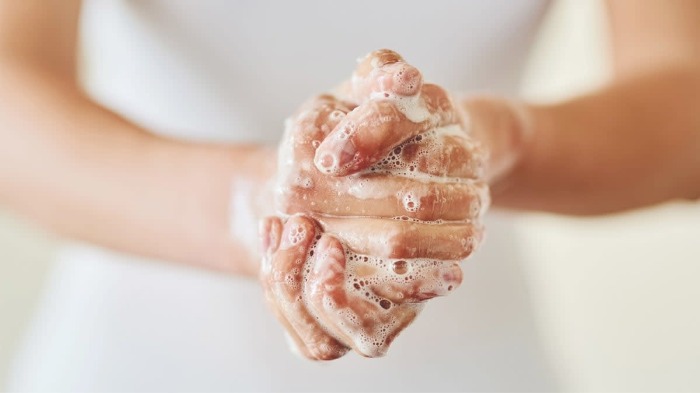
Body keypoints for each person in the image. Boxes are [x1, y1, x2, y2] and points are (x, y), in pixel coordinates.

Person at [1, 0, 698, 391]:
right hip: (134, 361)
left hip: (475, 366)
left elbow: (684, 102)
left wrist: (492, 145)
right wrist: (256, 208)